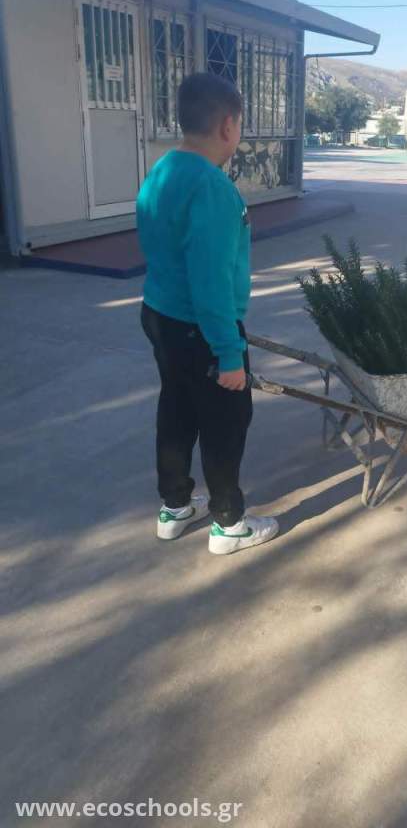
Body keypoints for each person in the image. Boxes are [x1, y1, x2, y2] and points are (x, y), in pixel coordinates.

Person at [137, 72, 279, 556]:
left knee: (176, 409)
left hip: (161, 316)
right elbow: (211, 281)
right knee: (225, 422)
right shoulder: (213, 188)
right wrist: (229, 353)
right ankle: (229, 524)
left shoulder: (162, 171)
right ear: (228, 126)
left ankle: (175, 506)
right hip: (202, 328)